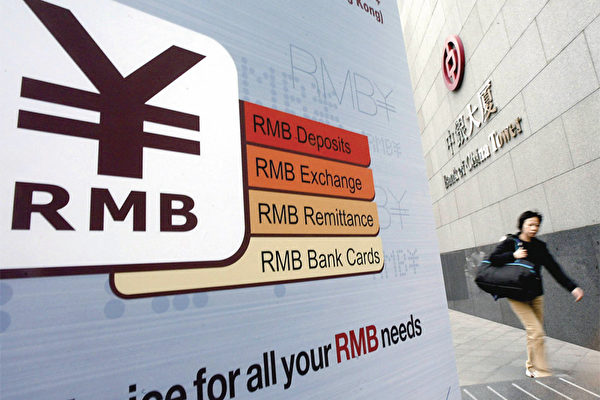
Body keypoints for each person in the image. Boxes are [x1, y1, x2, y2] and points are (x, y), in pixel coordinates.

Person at [489, 210, 584, 378]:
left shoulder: (539, 246)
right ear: (522, 225)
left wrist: (572, 287)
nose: (534, 228)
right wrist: (513, 255)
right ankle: (542, 372)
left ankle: (531, 366)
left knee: (533, 332)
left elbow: (554, 269)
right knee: (537, 332)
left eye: (537, 225)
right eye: (530, 224)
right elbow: (493, 259)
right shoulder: (510, 242)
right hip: (517, 295)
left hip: (536, 295)